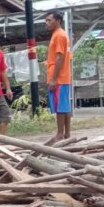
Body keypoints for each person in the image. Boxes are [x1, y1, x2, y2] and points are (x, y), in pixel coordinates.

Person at [45, 10, 73, 141]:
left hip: (59, 78)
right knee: (64, 105)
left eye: (49, 20)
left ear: (58, 21)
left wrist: (54, 79)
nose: (47, 23)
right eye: (46, 20)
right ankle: (66, 134)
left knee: (60, 107)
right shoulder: (58, 34)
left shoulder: (59, 35)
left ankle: (60, 133)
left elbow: (60, 58)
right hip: (62, 76)